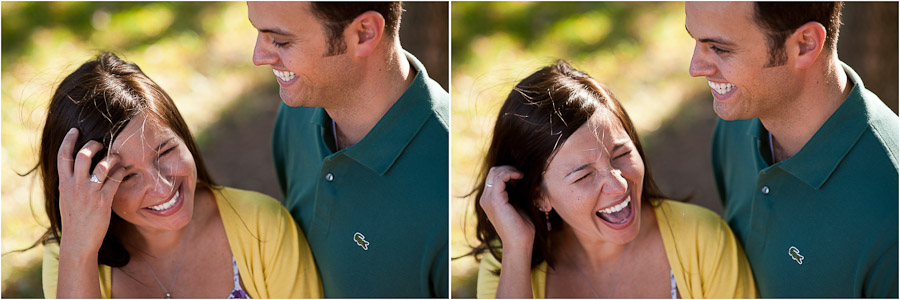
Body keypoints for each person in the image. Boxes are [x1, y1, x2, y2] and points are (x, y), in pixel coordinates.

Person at [39, 52, 321, 298]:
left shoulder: (262, 227)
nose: (162, 187)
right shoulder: (69, 255)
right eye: (127, 177)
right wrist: (78, 253)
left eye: (165, 152)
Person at [468, 60, 757, 298]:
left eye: (620, 154)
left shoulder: (704, 239)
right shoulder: (509, 262)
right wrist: (517, 248)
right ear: (538, 195)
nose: (619, 185)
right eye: (583, 175)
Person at [686, 2, 898, 297]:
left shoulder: (891, 214)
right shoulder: (737, 122)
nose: (695, 67)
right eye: (693, 39)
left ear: (805, 44)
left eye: (720, 49)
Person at [247, 2, 448, 298]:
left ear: (364, 33)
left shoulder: (445, 184)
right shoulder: (298, 108)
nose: (258, 57)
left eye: (281, 40)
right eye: (258, 32)